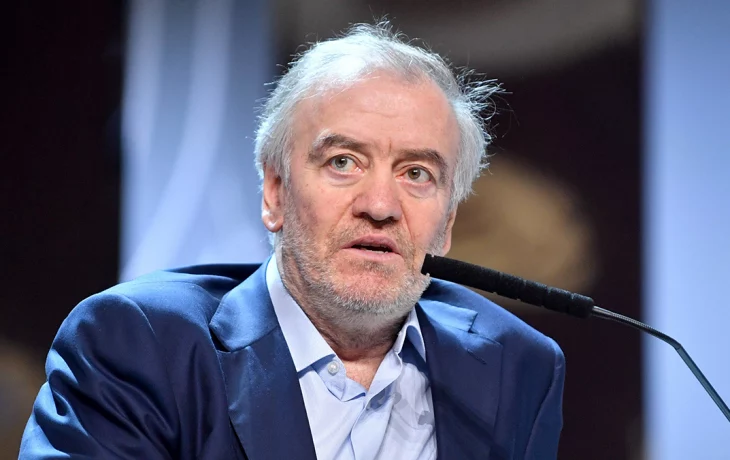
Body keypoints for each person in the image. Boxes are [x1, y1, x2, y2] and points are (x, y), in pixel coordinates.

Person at [20, 22, 565, 459]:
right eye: (343, 162)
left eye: (417, 174)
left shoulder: (517, 365)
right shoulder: (140, 344)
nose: (380, 205)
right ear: (275, 192)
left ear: (446, 223)